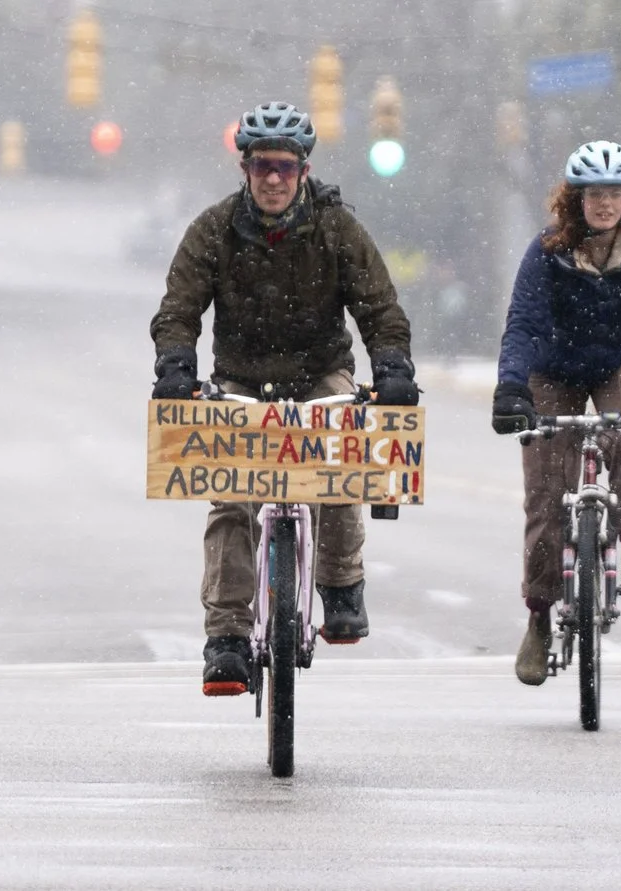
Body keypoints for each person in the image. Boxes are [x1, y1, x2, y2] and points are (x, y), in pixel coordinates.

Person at [149, 101, 420, 696]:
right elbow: (178, 310)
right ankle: (225, 636)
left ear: (304, 169)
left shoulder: (337, 227)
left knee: (341, 466)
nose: (274, 178)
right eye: (263, 166)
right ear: (245, 168)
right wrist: (175, 365)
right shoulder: (213, 229)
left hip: (320, 373)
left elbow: (380, 309)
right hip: (240, 381)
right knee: (232, 502)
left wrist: (394, 367)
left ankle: (342, 583)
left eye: (287, 167)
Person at [492, 140, 621, 688]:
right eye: (593, 193)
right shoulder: (546, 252)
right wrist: (512, 388)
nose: (604, 203)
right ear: (574, 199)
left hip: (619, 361)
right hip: (553, 367)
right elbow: (523, 323)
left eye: (615, 193)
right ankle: (537, 616)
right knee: (544, 487)